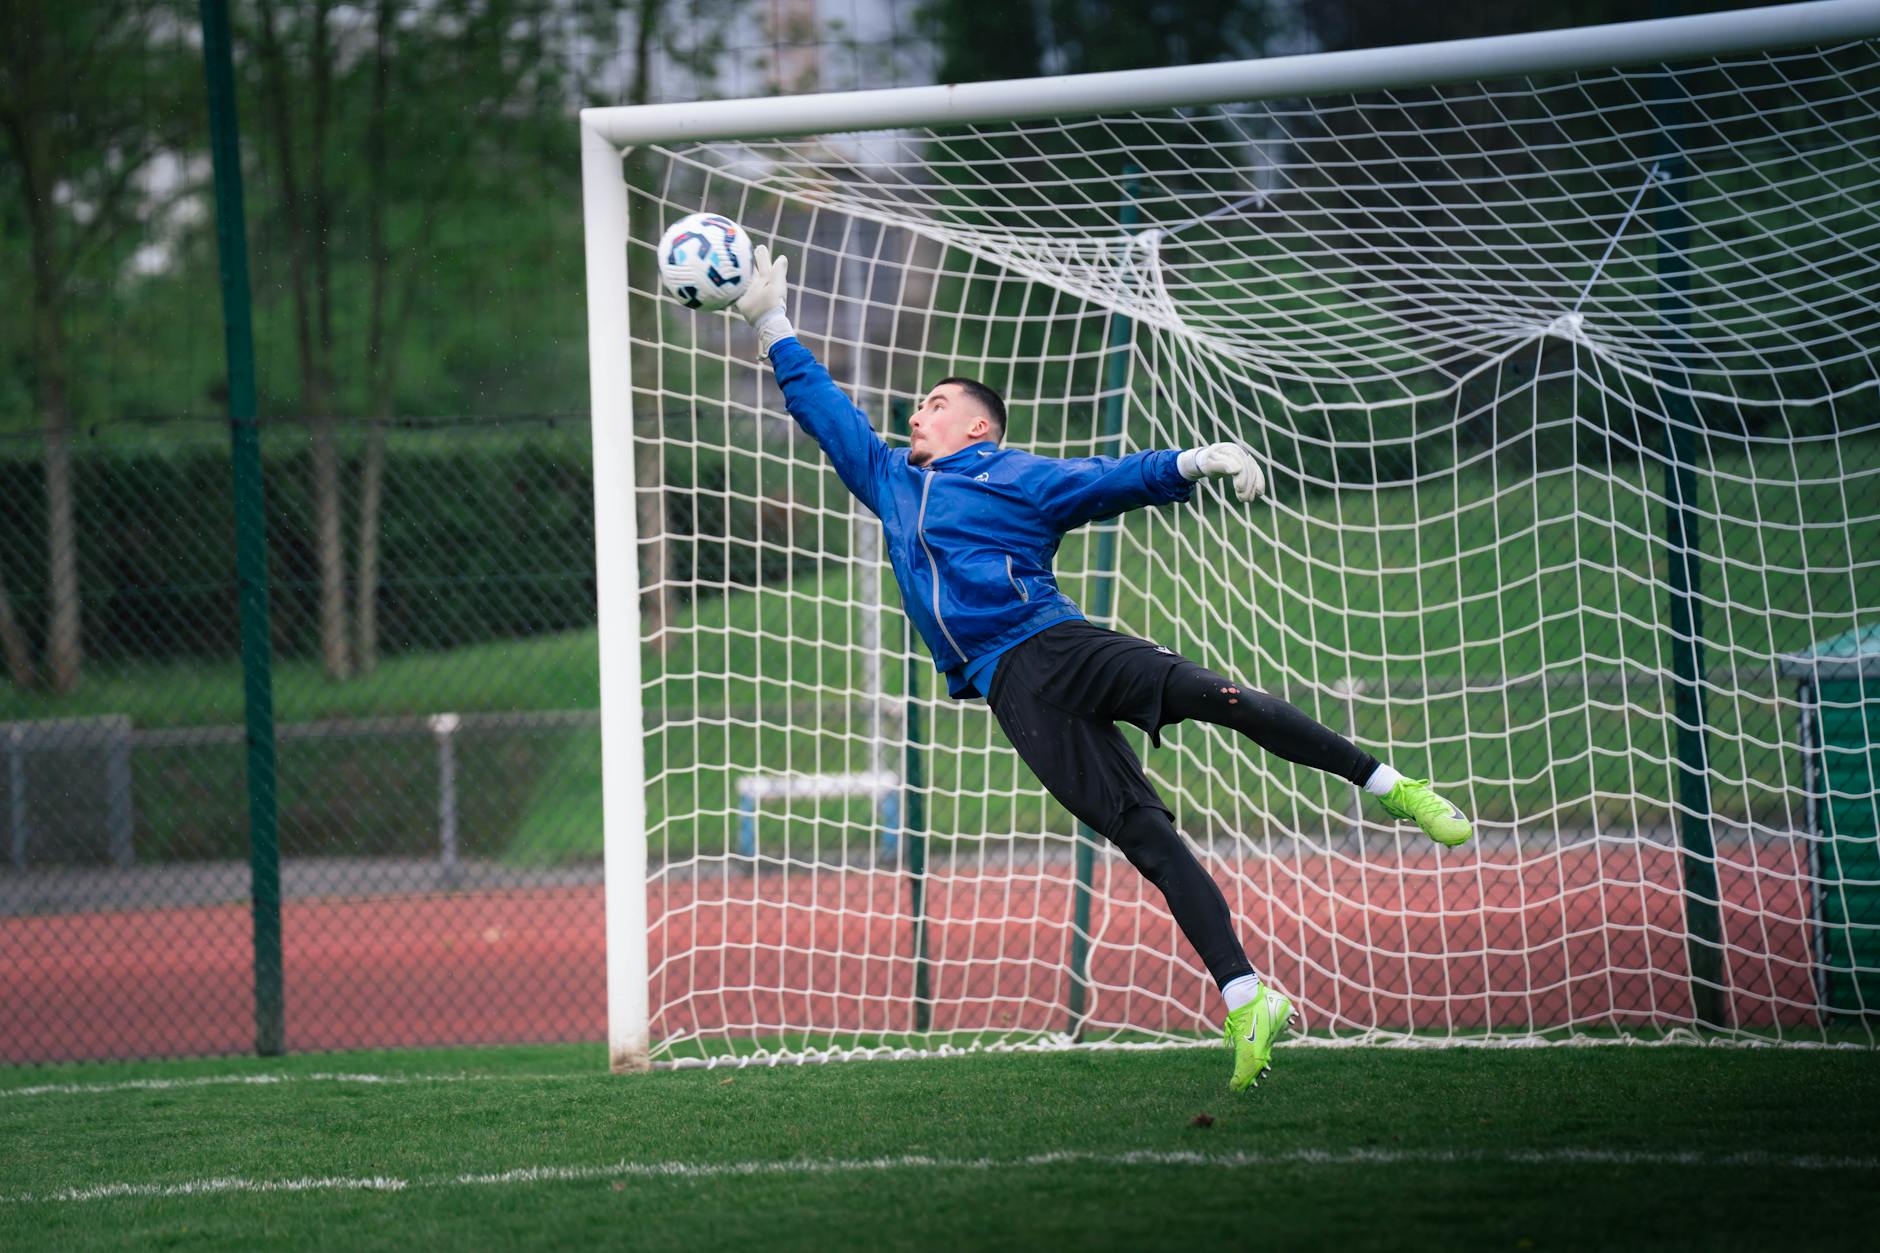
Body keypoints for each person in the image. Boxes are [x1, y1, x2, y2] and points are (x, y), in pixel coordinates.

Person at [731, 245, 1472, 1091]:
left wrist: (1192, 462)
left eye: (937, 404)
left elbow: (1107, 479)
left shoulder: (1014, 475)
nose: (917, 414)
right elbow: (828, 413)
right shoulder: (889, 479)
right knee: (1145, 837)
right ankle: (1247, 998)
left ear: (979, 426)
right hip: (1012, 690)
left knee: (1213, 695)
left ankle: (1388, 785)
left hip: (1059, 644)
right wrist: (770, 323)